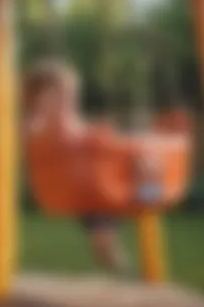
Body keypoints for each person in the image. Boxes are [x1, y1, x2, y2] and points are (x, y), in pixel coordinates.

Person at [22, 58, 131, 276]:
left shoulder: (72, 121)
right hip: (63, 188)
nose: (68, 101)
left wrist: (98, 134)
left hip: (89, 189)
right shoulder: (35, 123)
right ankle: (115, 259)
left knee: (104, 237)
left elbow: (86, 138)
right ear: (38, 98)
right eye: (60, 95)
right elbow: (34, 138)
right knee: (102, 234)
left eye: (72, 95)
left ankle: (116, 260)